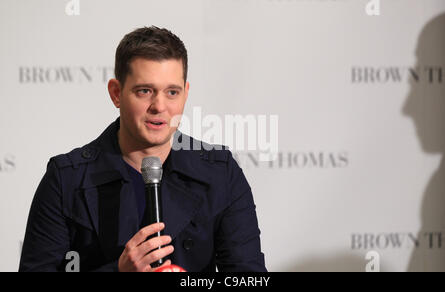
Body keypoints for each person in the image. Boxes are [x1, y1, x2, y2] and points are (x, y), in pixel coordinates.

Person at [19, 26, 267, 272]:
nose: (159, 106)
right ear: (117, 93)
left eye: (172, 92)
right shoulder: (65, 179)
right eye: (145, 91)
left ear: (185, 93)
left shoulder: (221, 173)